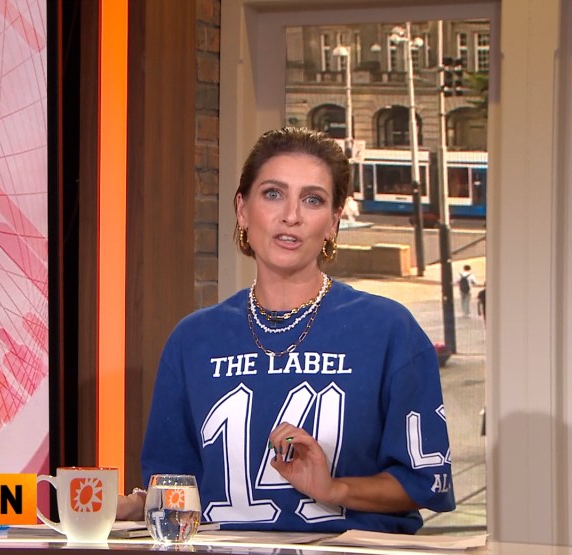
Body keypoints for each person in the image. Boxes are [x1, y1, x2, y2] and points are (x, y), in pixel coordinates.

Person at [117, 128, 455, 533]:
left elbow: (424, 482)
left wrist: (335, 489)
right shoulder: (193, 340)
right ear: (242, 209)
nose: (291, 215)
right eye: (273, 194)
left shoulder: (388, 330)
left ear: (333, 222)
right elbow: (178, 486)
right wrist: (133, 505)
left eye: (312, 200)